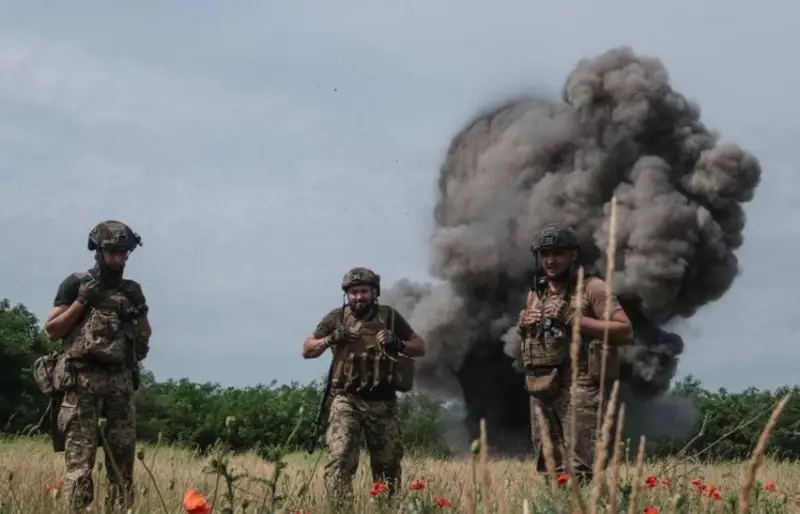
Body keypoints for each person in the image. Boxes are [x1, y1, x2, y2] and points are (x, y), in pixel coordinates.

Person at [42, 220, 151, 510]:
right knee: (80, 466)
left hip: (120, 383)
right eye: (111, 252)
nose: (117, 259)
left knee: (122, 464)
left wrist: (141, 311)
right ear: (98, 251)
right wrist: (81, 301)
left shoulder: (131, 291)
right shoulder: (77, 283)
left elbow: (143, 342)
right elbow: (52, 330)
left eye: (123, 253)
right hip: (81, 384)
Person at [516, 224, 633, 484]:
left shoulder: (593, 288)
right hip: (542, 389)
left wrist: (572, 318)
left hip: (579, 389)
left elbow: (625, 331)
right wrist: (525, 323)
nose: (550, 260)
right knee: (548, 470)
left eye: (557, 253)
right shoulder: (536, 293)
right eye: (545, 254)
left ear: (573, 255)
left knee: (581, 472)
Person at [302, 267, 426, 509]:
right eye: (354, 292)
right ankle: (341, 510)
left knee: (388, 466)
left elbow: (419, 346)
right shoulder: (336, 318)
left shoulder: (389, 317)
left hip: (383, 401)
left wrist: (398, 343)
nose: (358, 297)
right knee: (340, 459)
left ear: (374, 292)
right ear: (347, 294)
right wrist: (330, 339)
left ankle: (386, 509)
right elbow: (307, 349)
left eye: (364, 291)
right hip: (346, 399)